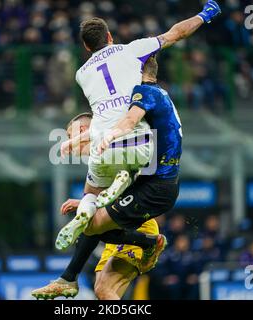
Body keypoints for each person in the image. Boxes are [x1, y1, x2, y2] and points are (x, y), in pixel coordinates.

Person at [56, 0, 222, 250]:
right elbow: (176, 33)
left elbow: (106, 114)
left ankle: (91, 204)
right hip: (136, 141)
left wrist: (74, 140)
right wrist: (205, 14)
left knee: (89, 195)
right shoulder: (133, 49)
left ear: (86, 46)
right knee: (137, 161)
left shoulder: (81, 74)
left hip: (102, 146)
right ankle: (123, 181)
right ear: (110, 36)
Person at [32, 55, 184, 299]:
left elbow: (125, 127)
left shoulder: (117, 142)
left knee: (90, 225)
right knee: (103, 290)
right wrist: (85, 202)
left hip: (137, 220)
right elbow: (91, 193)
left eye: (74, 134)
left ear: (83, 129)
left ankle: (71, 277)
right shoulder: (102, 155)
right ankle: (69, 278)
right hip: (119, 220)